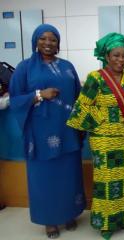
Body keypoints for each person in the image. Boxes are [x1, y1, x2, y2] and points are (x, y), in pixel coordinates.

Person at [9, 24, 86, 239]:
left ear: (58, 43)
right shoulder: (25, 68)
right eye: (43, 39)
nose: (48, 43)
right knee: (44, 178)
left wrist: (81, 125)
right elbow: (14, 100)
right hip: (40, 135)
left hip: (67, 131)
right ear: (35, 41)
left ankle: (69, 213)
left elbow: (79, 98)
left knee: (69, 176)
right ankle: (50, 220)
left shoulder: (68, 66)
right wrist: (39, 94)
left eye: (53, 39)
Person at [67, 32, 124, 240]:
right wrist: (104, 120)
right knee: (106, 182)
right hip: (103, 139)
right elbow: (81, 107)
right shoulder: (95, 78)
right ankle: (106, 223)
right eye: (116, 55)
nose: (120, 60)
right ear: (106, 56)